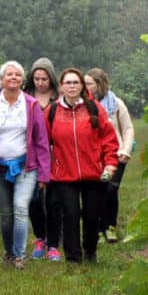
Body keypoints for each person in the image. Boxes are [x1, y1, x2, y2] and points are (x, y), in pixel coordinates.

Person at [0, 61, 51, 269]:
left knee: (20, 208)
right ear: (2, 80)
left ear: (22, 80)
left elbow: (41, 140)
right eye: (9, 74)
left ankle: (19, 255)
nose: (14, 77)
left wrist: (44, 174)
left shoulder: (31, 105)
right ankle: (8, 252)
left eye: (17, 74)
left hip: (26, 166)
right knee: (5, 214)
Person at [45, 68, 119, 264]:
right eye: (67, 83)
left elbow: (109, 138)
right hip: (65, 174)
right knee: (70, 214)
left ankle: (90, 251)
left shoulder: (94, 109)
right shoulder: (52, 111)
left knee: (92, 215)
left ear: (82, 86)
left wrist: (110, 164)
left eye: (75, 83)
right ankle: (73, 257)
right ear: (61, 86)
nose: (71, 86)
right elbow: (43, 141)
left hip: (93, 172)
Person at [85, 68, 136, 243]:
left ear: (99, 85)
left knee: (110, 189)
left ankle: (110, 227)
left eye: (89, 84)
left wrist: (126, 150)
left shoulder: (116, 104)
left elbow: (128, 128)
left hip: (115, 156)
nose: (85, 87)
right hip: (94, 158)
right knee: (96, 191)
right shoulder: (84, 105)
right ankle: (98, 229)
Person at [24, 57, 63, 261]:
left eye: (44, 79)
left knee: (54, 200)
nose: (40, 82)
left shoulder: (59, 99)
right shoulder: (25, 97)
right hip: (32, 155)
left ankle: (54, 243)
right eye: (37, 78)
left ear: (51, 79)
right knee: (34, 199)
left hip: (56, 154)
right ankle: (40, 237)